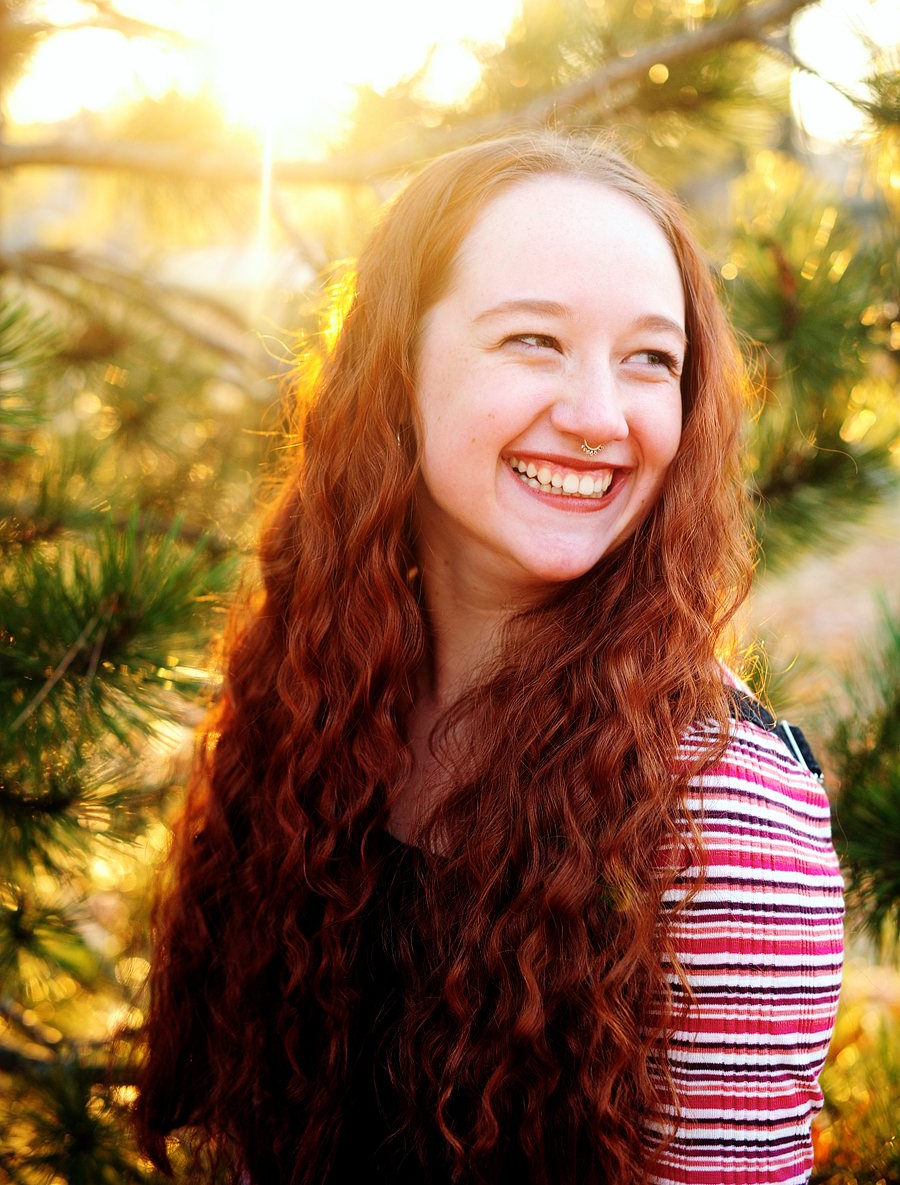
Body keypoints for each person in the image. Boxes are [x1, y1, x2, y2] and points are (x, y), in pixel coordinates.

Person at [134, 134, 844, 1185]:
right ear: (399, 366)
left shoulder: (722, 817)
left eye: (650, 358)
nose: (601, 417)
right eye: (533, 341)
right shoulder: (323, 696)